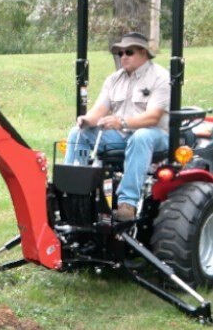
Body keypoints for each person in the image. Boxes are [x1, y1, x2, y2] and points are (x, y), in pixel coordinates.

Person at [64, 32, 170, 221]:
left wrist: (121, 122)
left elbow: (153, 117)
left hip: (156, 136)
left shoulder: (160, 77)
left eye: (128, 52)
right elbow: (98, 111)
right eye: (120, 53)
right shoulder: (114, 79)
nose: (123, 57)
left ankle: (127, 203)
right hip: (121, 135)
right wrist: (86, 120)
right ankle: (72, 191)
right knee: (77, 133)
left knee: (141, 136)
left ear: (143, 53)